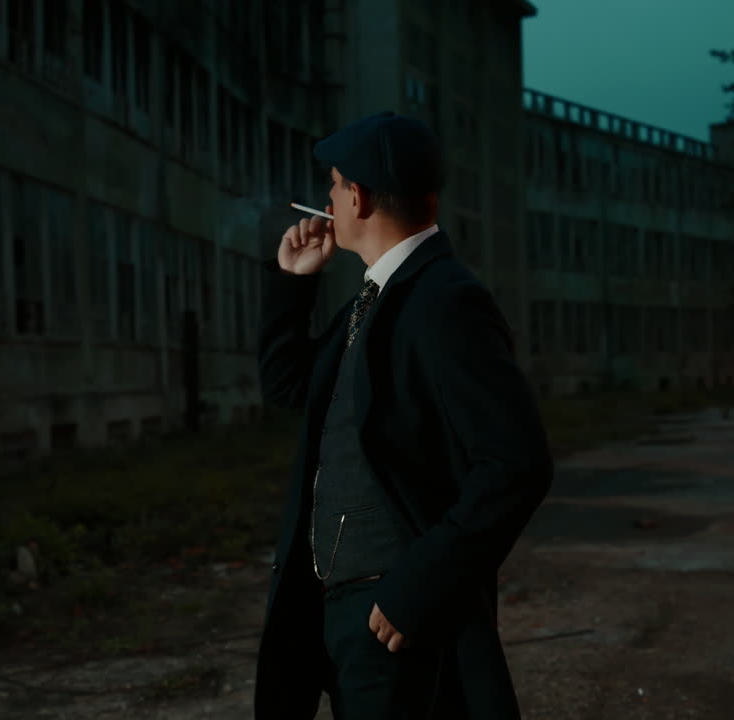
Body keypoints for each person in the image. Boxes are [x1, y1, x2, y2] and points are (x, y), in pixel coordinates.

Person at [254, 111, 553, 719]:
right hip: (333, 611)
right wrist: (293, 285)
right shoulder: (372, 300)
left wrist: (419, 588)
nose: (328, 199)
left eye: (334, 185)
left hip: (394, 620)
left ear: (357, 198)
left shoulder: (446, 301)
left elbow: (516, 465)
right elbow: (292, 389)